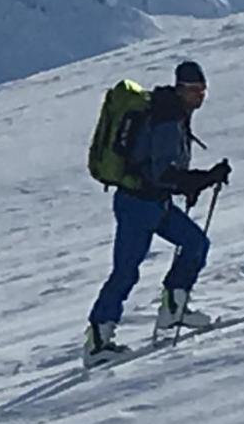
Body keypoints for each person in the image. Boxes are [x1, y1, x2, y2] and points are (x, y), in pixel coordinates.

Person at [85, 60, 231, 364]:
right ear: (180, 89)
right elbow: (162, 173)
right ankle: (98, 342)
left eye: (203, 90)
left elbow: (166, 174)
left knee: (195, 243)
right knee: (126, 270)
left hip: (154, 203)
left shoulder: (174, 114)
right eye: (194, 90)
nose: (200, 96)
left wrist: (194, 182)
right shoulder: (166, 119)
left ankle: (174, 309)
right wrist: (202, 179)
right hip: (138, 204)